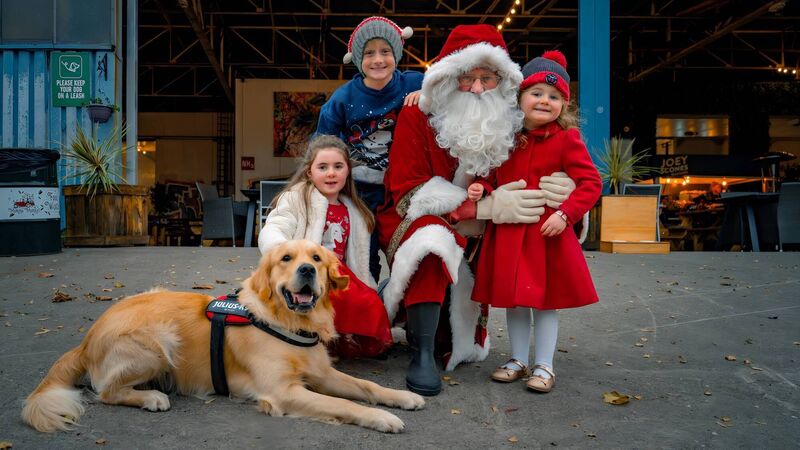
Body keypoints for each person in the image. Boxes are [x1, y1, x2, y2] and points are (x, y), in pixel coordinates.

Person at [377, 24, 576, 396]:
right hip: (419, 219)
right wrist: (479, 206)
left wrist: (562, 190)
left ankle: (440, 336)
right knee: (432, 241)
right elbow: (409, 191)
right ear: (450, 79)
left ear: (503, 80)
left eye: (488, 77)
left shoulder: (512, 121)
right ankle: (419, 354)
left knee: (451, 340)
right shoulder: (417, 115)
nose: (479, 88)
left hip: (483, 233)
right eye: (468, 78)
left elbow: (541, 162)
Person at [471, 50, 602, 393]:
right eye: (537, 93)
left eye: (555, 96)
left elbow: (590, 183)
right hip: (511, 232)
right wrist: (481, 188)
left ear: (564, 104)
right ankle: (517, 359)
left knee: (544, 303)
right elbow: (491, 175)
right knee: (514, 301)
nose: (545, 101)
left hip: (546, 235)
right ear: (520, 97)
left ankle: (544, 365)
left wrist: (565, 214)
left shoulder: (566, 139)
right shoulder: (505, 136)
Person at [258, 135, 392, 358]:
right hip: (309, 269)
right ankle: (318, 339)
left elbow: (357, 254)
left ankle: (345, 340)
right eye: (323, 167)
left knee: (369, 302)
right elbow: (276, 225)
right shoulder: (296, 199)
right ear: (310, 172)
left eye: (338, 166)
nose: (331, 173)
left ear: (347, 171)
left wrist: (365, 283)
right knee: (336, 298)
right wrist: (282, 250)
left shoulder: (355, 210)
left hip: (339, 272)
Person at [315, 16, 424, 282]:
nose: (378, 59)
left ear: (396, 54)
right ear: (357, 59)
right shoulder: (344, 97)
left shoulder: (414, 83)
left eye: (385, 51)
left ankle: (406, 306)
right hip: (359, 187)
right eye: (369, 53)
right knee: (365, 249)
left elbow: (451, 87)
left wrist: (429, 94)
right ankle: (369, 304)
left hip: (402, 185)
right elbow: (321, 141)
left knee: (408, 247)